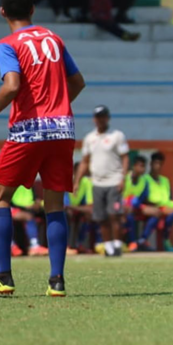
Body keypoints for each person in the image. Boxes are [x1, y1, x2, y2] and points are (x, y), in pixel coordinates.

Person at [0, 0, 86, 297]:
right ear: (33, 9)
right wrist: (58, 106)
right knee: (54, 205)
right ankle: (57, 282)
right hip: (63, 129)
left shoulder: (8, 44)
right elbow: (77, 82)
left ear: (2, 12)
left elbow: (11, 85)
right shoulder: (54, 38)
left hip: (28, 130)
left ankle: (3, 277)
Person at [76, 105, 129, 258]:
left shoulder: (117, 136)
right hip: (97, 182)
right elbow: (85, 161)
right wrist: (77, 180)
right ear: (94, 119)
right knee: (101, 217)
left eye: (103, 116)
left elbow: (125, 157)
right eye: (98, 117)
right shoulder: (89, 138)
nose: (101, 119)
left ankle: (118, 245)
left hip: (114, 180)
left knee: (115, 215)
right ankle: (108, 247)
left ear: (108, 118)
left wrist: (123, 178)